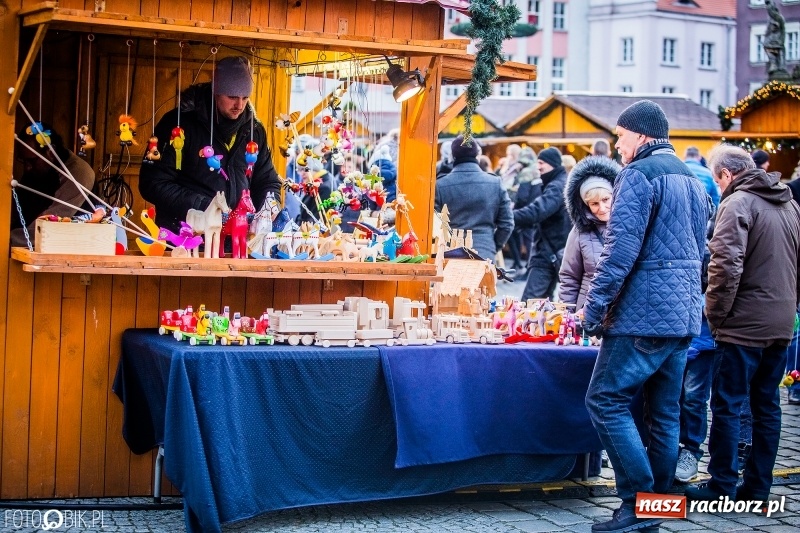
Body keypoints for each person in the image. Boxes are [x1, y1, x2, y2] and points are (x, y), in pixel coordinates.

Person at [581, 100, 710, 533]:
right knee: (664, 414)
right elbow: (702, 252)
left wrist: (594, 310)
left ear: (641, 134)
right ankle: (655, 508)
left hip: (644, 314)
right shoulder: (690, 177)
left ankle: (638, 503)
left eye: (620, 136)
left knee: (605, 400)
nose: (617, 144)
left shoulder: (637, 174)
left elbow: (619, 252)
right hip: (682, 315)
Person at [686, 145, 800, 503]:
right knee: (767, 406)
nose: (719, 187)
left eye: (718, 180)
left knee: (727, 405)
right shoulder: (789, 204)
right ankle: (758, 487)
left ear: (725, 175)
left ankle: (721, 484)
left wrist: (715, 314)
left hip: (743, 324)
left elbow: (724, 265)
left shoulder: (737, 203)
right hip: (780, 321)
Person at [139, 56, 282, 234]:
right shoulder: (178, 125)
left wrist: (270, 206)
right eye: (232, 97)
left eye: (245, 97)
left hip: (235, 238)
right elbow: (153, 183)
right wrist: (204, 206)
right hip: (184, 236)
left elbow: (267, 180)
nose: (239, 105)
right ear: (216, 91)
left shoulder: (254, 131)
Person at [11, 124, 95, 247]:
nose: (27, 167)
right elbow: (17, 210)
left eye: (32, 161)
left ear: (51, 152)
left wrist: (8, 239)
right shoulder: (35, 171)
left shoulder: (79, 172)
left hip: (69, 247)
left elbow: (49, 223)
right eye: (23, 161)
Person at [435, 134, 514, 262]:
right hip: (484, 250)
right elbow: (507, 224)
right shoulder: (495, 183)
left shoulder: (440, 185)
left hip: (450, 252)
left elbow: (434, 224)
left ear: (452, 156)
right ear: (478, 154)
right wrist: (493, 245)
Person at [557, 156, 620, 310]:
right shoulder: (580, 232)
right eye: (594, 203)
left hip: (623, 312)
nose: (602, 208)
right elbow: (569, 278)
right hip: (588, 311)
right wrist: (568, 316)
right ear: (586, 205)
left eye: (606, 199)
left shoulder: (631, 227)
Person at [513, 147, 571, 301]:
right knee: (544, 303)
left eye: (541, 163)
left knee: (529, 303)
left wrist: (508, 217)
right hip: (553, 251)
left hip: (548, 254)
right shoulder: (559, 182)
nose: (538, 167)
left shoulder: (556, 186)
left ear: (552, 163)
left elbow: (537, 211)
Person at [507, 147, 541, 274]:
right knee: (530, 240)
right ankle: (528, 267)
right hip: (537, 209)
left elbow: (522, 196)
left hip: (525, 210)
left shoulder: (525, 173)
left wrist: (515, 207)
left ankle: (523, 266)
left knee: (517, 235)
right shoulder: (538, 170)